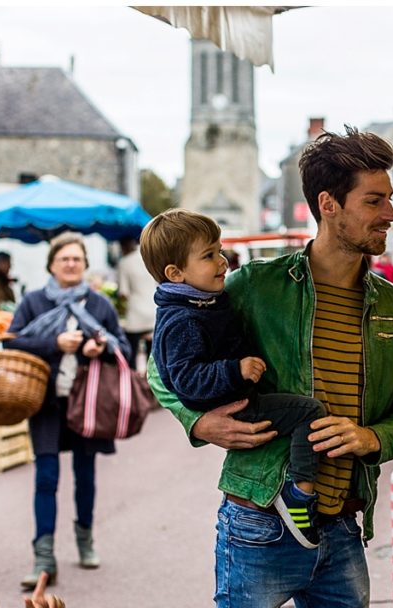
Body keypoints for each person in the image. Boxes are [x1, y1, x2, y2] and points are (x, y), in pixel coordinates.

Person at [148, 126, 393, 608]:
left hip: (345, 527)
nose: (391, 214)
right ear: (329, 205)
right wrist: (199, 421)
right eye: (375, 200)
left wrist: (372, 438)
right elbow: (163, 362)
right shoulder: (254, 286)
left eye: (390, 199)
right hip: (259, 520)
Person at [141, 208, 328, 549]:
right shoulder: (182, 319)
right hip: (236, 405)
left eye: (219, 250)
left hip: (237, 397)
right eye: (209, 255)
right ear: (176, 273)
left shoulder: (203, 301)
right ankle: (300, 492)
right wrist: (234, 369)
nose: (223, 261)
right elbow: (183, 379)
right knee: (309, 412)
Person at [4, 232, 132, 589]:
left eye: (77, 259)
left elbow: (123, 348)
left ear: (85, 265)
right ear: (52, 265)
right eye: (65, 259)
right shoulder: (33, 302)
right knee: (46, 477)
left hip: (87, 404)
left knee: (85, 475)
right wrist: (54, 343)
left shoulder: (99, 305)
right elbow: (11, 342)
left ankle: (85, 540)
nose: (71, 264)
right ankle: (43, 558)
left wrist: (99, 349)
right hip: (45, 402)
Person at [116, 236, 157, 372]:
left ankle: (133, 382)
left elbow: (123, 293)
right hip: (153, 311)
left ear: (123, 247)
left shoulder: (125, 262)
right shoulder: (151, 258)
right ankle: (149, 385)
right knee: (152, 355)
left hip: (136, 315)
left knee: (131, 352)